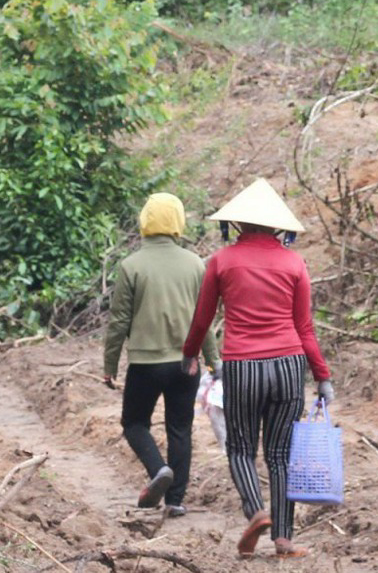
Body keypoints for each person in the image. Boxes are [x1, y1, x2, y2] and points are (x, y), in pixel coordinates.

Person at [183, 178, 333, 559]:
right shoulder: (294, 262)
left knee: (240, 447)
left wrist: (190, 354)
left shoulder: (221, 261)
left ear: (237, 224)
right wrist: (322, 375)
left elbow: (202, 321)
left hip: (243, 367)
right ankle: (283, 540)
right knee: (281, 454)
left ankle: (255, 512)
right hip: (288, 367)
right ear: (277, 226)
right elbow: (305, 328)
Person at [104, 192, 219, 516]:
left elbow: (119, 322)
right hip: (187, 363)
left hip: (145, 362)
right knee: (180, 429)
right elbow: (203, 319)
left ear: (145, 221)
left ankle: (158, 470)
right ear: (178, 223)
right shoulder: (195, 264)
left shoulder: (131, 265)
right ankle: (176, 500)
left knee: (134, 422)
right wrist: (213, 359)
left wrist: (109, 365)